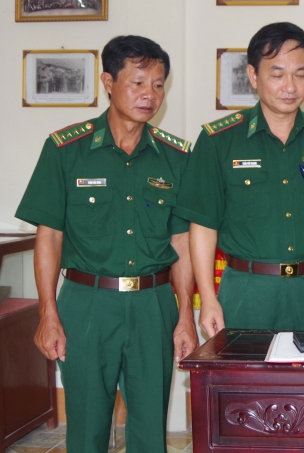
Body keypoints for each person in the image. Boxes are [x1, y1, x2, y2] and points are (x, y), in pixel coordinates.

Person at [16, 35, 198, 452]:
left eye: (158, 85)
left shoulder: (176, 157)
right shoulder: (66, 150)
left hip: (153, 304)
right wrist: (48, 313)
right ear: (108, 82)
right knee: (86, 427)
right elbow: (49, 236)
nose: (150, 95)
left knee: (151, 428)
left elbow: (182, 243)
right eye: (138, 83)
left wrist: (185, 315)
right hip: (87, 303)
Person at [175, 22, 304, 337]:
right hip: (245, 292)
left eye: (301, 74)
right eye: (278, 74)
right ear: (253, 76)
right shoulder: (219, 141)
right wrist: (209, 299)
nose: (290, 87)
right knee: (242, 370)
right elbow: (203, 226)